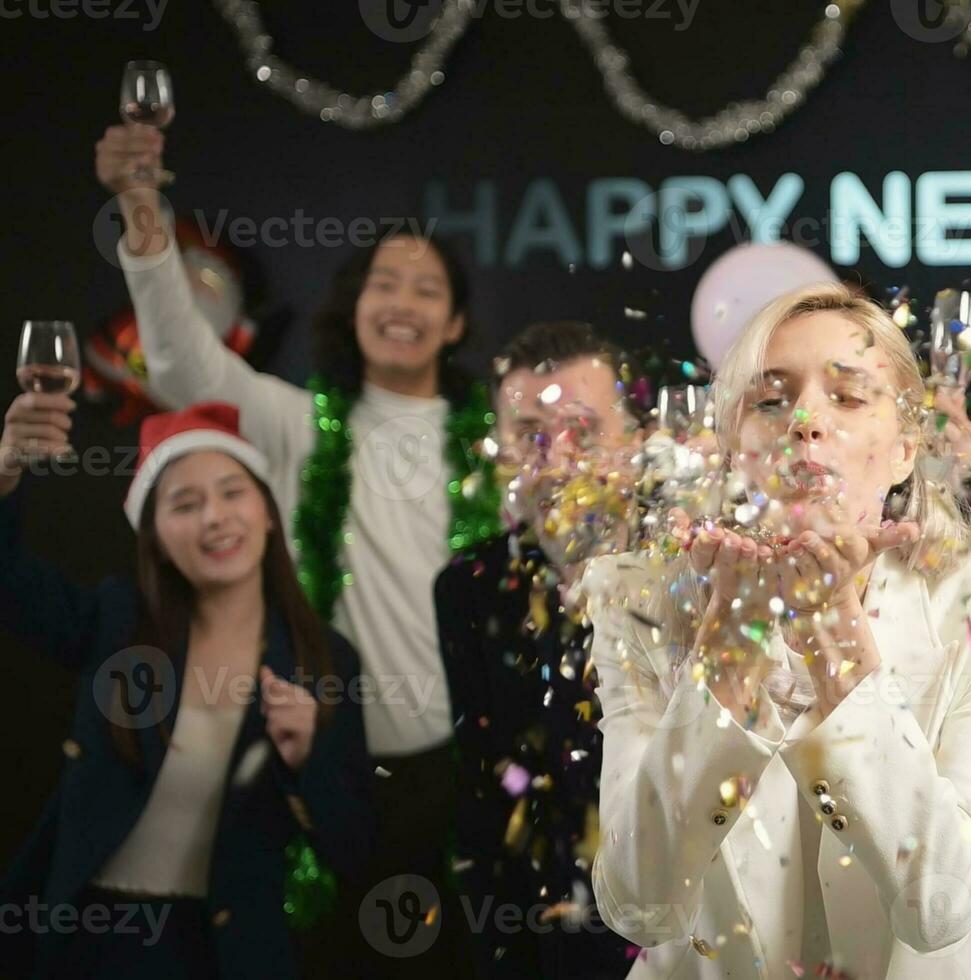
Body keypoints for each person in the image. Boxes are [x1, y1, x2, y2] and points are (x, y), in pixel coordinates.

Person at [96, 124, 497, 976]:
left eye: (425, 289)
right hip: (327, 765)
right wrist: (143, 220)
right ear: (353, 309)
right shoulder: (296, 424)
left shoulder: (499, 444)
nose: (401, 302)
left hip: (467, 771)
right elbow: (178, 362)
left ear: (455, 322)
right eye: (382, 283)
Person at [581, 282, 971, 978]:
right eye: (771, 399)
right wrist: (730, 649)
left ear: (905, 448)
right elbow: (640, 904)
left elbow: (941, 910)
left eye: (848, 396)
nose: (805, 419)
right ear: (731, 446)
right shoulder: (638, 602)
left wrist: (833, 629)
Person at [0, 397, 372, 978]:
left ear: (268, 513)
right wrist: (5, 472)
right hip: (91, 942)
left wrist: (307, 758)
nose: (214, 518)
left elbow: (353, 849)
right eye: (185, 503)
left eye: (232, 492)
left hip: (225, 952)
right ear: (156, 539)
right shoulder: (115, 622)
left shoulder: (323, 660)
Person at [436, 322, 640, 979]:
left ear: (634, 443)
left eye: (582, 431)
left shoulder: (695, 565)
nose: (555, 461)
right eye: (530, 436)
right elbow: (484, 787)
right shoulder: (470, 587)